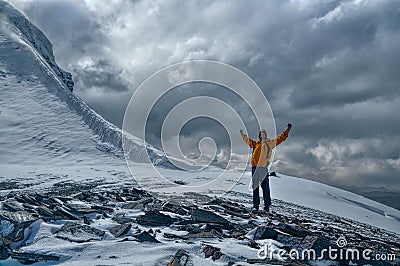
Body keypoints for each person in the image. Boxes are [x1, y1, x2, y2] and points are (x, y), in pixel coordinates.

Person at [240, 123, 292, 212]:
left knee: (265, 187)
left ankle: (267, 206)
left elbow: (280, 139)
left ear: (265, 135)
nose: (262, 135)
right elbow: (247, 140)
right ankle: (255, 205)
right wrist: (242, 134)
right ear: (259, 135)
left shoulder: (269, 143)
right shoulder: (255, 144)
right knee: (255, 187)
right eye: (261, 134)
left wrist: (287, 130)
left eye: (263, 134)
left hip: (263, 168)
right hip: (255, 168)